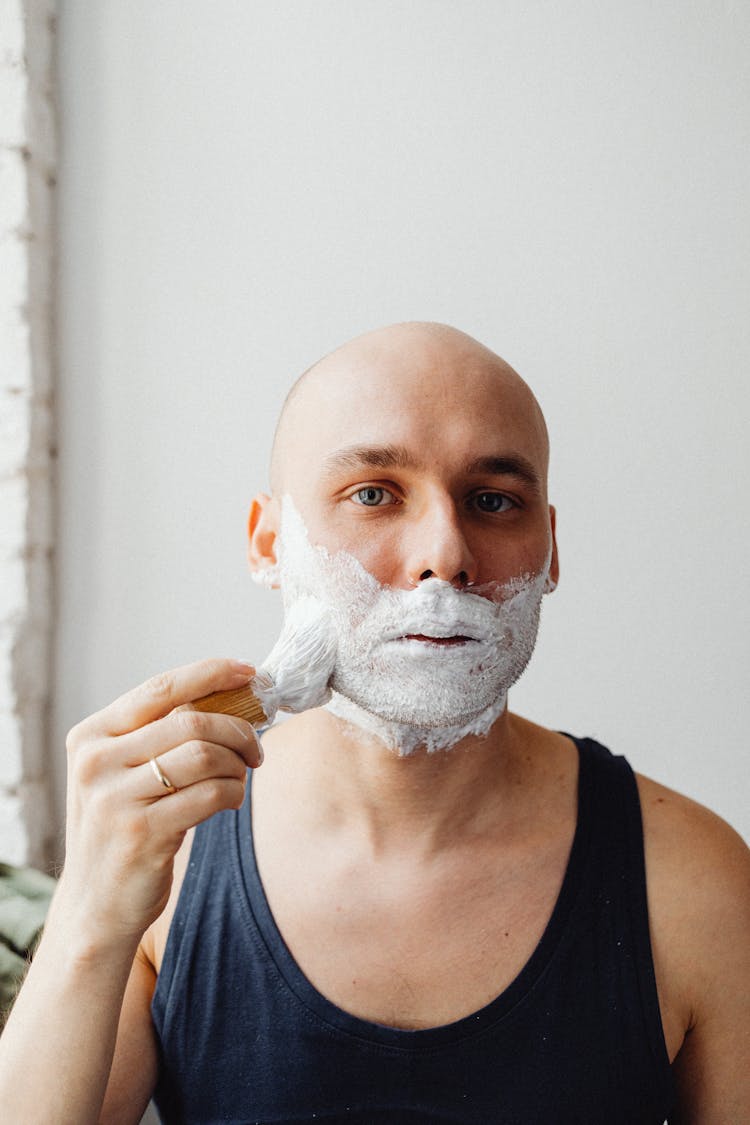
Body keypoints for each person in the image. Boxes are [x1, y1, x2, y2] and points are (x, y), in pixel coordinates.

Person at [1, 322, 748, 1124]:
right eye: (373, 493)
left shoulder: (694, 881)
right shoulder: (170, 862)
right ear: (268, 542)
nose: (445, 552)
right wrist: (87, 912)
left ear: (551, 549)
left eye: (493, 500)